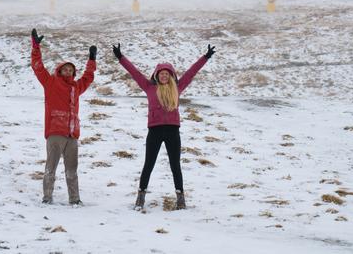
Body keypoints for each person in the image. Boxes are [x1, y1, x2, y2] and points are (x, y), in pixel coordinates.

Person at [112, 43, 215, 210]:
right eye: (162, 73)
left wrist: (205, 57)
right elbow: (134, 72)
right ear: (157, 75)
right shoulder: (149, 87)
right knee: (149, 164)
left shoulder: (177, 88)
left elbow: (191, 72)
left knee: (175, 165)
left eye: (167, 74)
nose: (164, 76)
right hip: (154, 130)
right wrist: (120, 57)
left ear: (171, 75)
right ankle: (141, 196)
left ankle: (180, 198)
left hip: (173, 131)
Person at [31, 28, 97, 205]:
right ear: (59, 71)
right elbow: (38, 67)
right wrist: (35, 47)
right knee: (50, 168)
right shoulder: (50, 83)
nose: (68, 72)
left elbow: (88, 77)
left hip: (72, 135)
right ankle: (47, 197)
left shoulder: (76, 87)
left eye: (71, 70)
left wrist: (92, 60)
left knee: (72, 170)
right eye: (65, 69)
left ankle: (74, 199)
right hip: (55, 132)